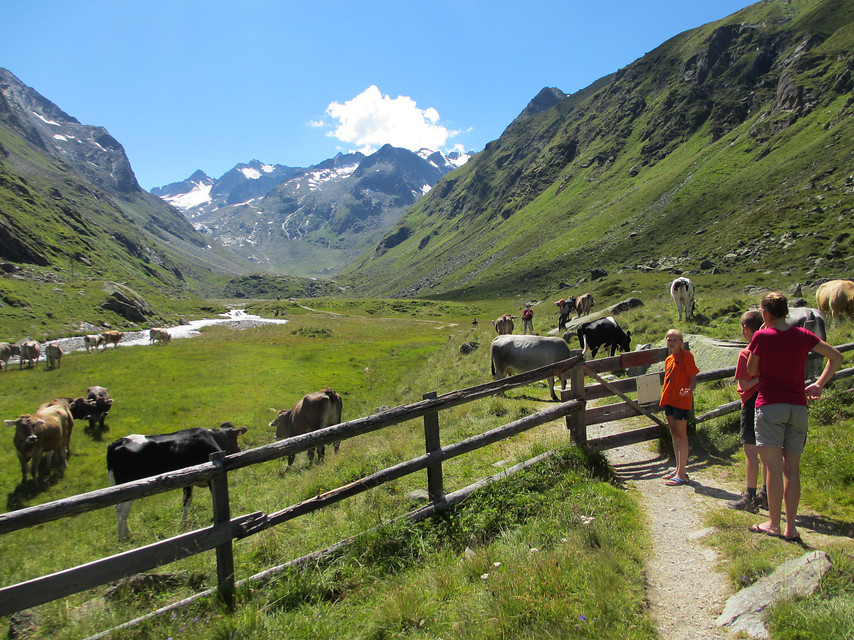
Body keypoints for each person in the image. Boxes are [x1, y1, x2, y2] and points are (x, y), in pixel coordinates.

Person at [746, 291, 843, 542]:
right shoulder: (803, 335)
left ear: (765, 313)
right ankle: (792, 527)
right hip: (798, 406)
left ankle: (774, 524)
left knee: (773, 468)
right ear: (786, 311)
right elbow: (836, 357)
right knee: (792, 469)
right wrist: (819, 384)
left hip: (770, 406)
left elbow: (751, 369)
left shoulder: (762, 336)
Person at [728, 310, 767, 512]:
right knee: (768, 451)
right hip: (770, 401)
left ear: (745, 328)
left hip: (751, 402)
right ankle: (766, 493)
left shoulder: (745, 353)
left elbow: (745, 382)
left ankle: (749, 495)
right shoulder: (771, 350)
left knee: (751, 452)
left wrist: (762, 377)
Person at [660, 328, 699, 486]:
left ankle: (682, 473)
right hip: (669, 399)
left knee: (681, 434)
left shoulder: (687, 357)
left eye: (674, 339)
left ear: (681, 342)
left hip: (681, 401)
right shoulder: (669, 359)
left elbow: (693, 378)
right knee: (674, 433)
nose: (671, 342)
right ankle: (678, 469)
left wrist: (689, 390)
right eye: (669, 339)